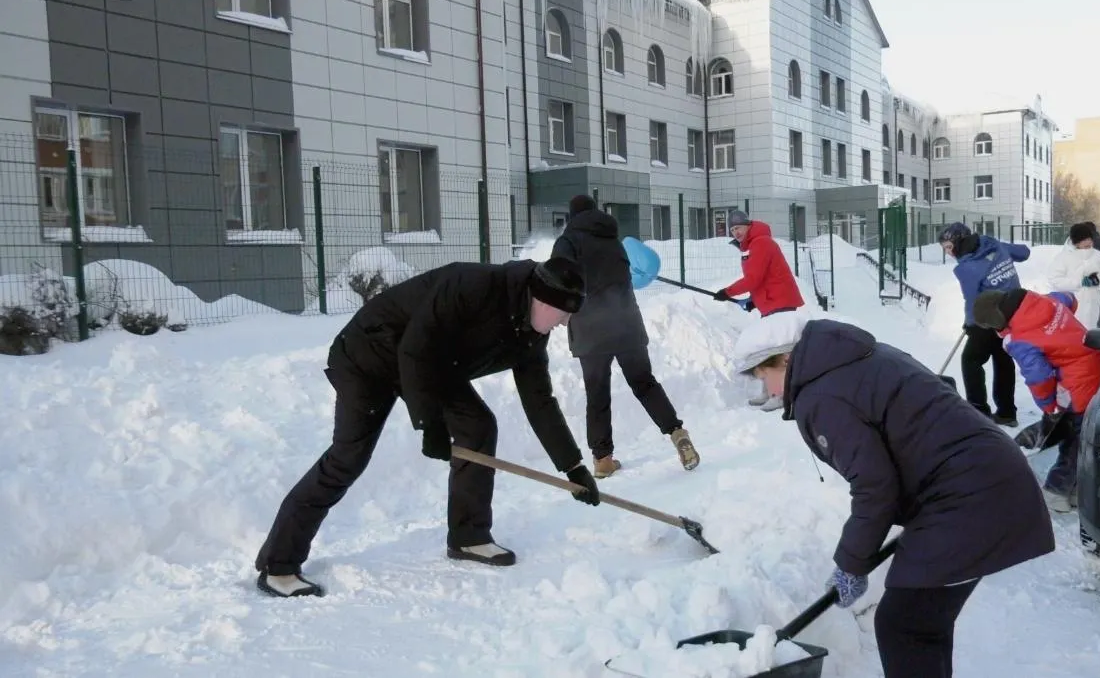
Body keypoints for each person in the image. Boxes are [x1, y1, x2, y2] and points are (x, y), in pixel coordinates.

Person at [253, 257, 602, 598]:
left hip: (434, 366)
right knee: (348, 456)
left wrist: (572, 467)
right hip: (369, 355)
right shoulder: (472, 286)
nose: (564, 322)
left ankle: (470, 535)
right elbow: (416, 347)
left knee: (478, 427)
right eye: (563, 313)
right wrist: (429, 423)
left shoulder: (529, 333)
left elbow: (539, 400)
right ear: (541, 299)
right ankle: (279, 565)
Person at [732, 311, 1054, 678]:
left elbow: (874, 486)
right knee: (922, 624)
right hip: (986, 477)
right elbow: (939, 389)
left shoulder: (821, 397)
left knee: (904, 626)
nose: (771, 391)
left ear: (787, 359)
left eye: (767, 377)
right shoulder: (861, 354)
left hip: (967, 496)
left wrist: (851, 564)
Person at [551, 195, 699, 478]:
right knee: (645, 383)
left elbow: (558, 279)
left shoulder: (568, 242)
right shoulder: (613, 240)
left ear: (571, 216)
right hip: (626, 324)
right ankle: (677, 432)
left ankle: (603, 459)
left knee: (597, 395)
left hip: (591, 329)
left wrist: (561, 310)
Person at [972, 288, 1100, 513]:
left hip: (1079, 386)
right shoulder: (1043, 301)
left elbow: (1040, 377)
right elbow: (1070, 298)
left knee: (1076, 441)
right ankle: (1076, 488)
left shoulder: (1021, 339)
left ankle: (1056, 491)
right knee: (1088, 438)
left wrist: (1049, 407)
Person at [938, 222, 1030, 427]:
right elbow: (1024, 253)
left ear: (959, 241)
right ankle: (1007, 413)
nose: (948, 252)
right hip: (1014, 314)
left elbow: (972, 300)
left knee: (971, 360)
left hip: (989, 318)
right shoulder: (992, 244)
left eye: (948, 246)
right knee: (1003, 358)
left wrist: (971, 324)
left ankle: (979, 413)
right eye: (944, 248)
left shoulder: (966, 268)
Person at [713, 210, 805, 411]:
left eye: (738, 227)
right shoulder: (752, 246)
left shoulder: (761, 243)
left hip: (780, 302)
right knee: (768, 348)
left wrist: (728, 292)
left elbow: (754, 278)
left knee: (777, 350)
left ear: (748, 225)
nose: (735, 232)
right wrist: (754, 300)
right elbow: (763, 278)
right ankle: (769, 391)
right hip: (771, 302)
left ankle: (779, 394)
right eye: (732, 229)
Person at [1047, 222, 1100, 330]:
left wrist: (1098, 281)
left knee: (1091, 335)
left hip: (1093, 304)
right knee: (1074, 335)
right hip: (1073, 305)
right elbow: (1054, 279)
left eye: (1089, 239)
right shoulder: (1064, 257)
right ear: (1076, 242)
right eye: (1084, 240)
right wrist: (1079, 282)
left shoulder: (1098, 256)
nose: (1088, 242)